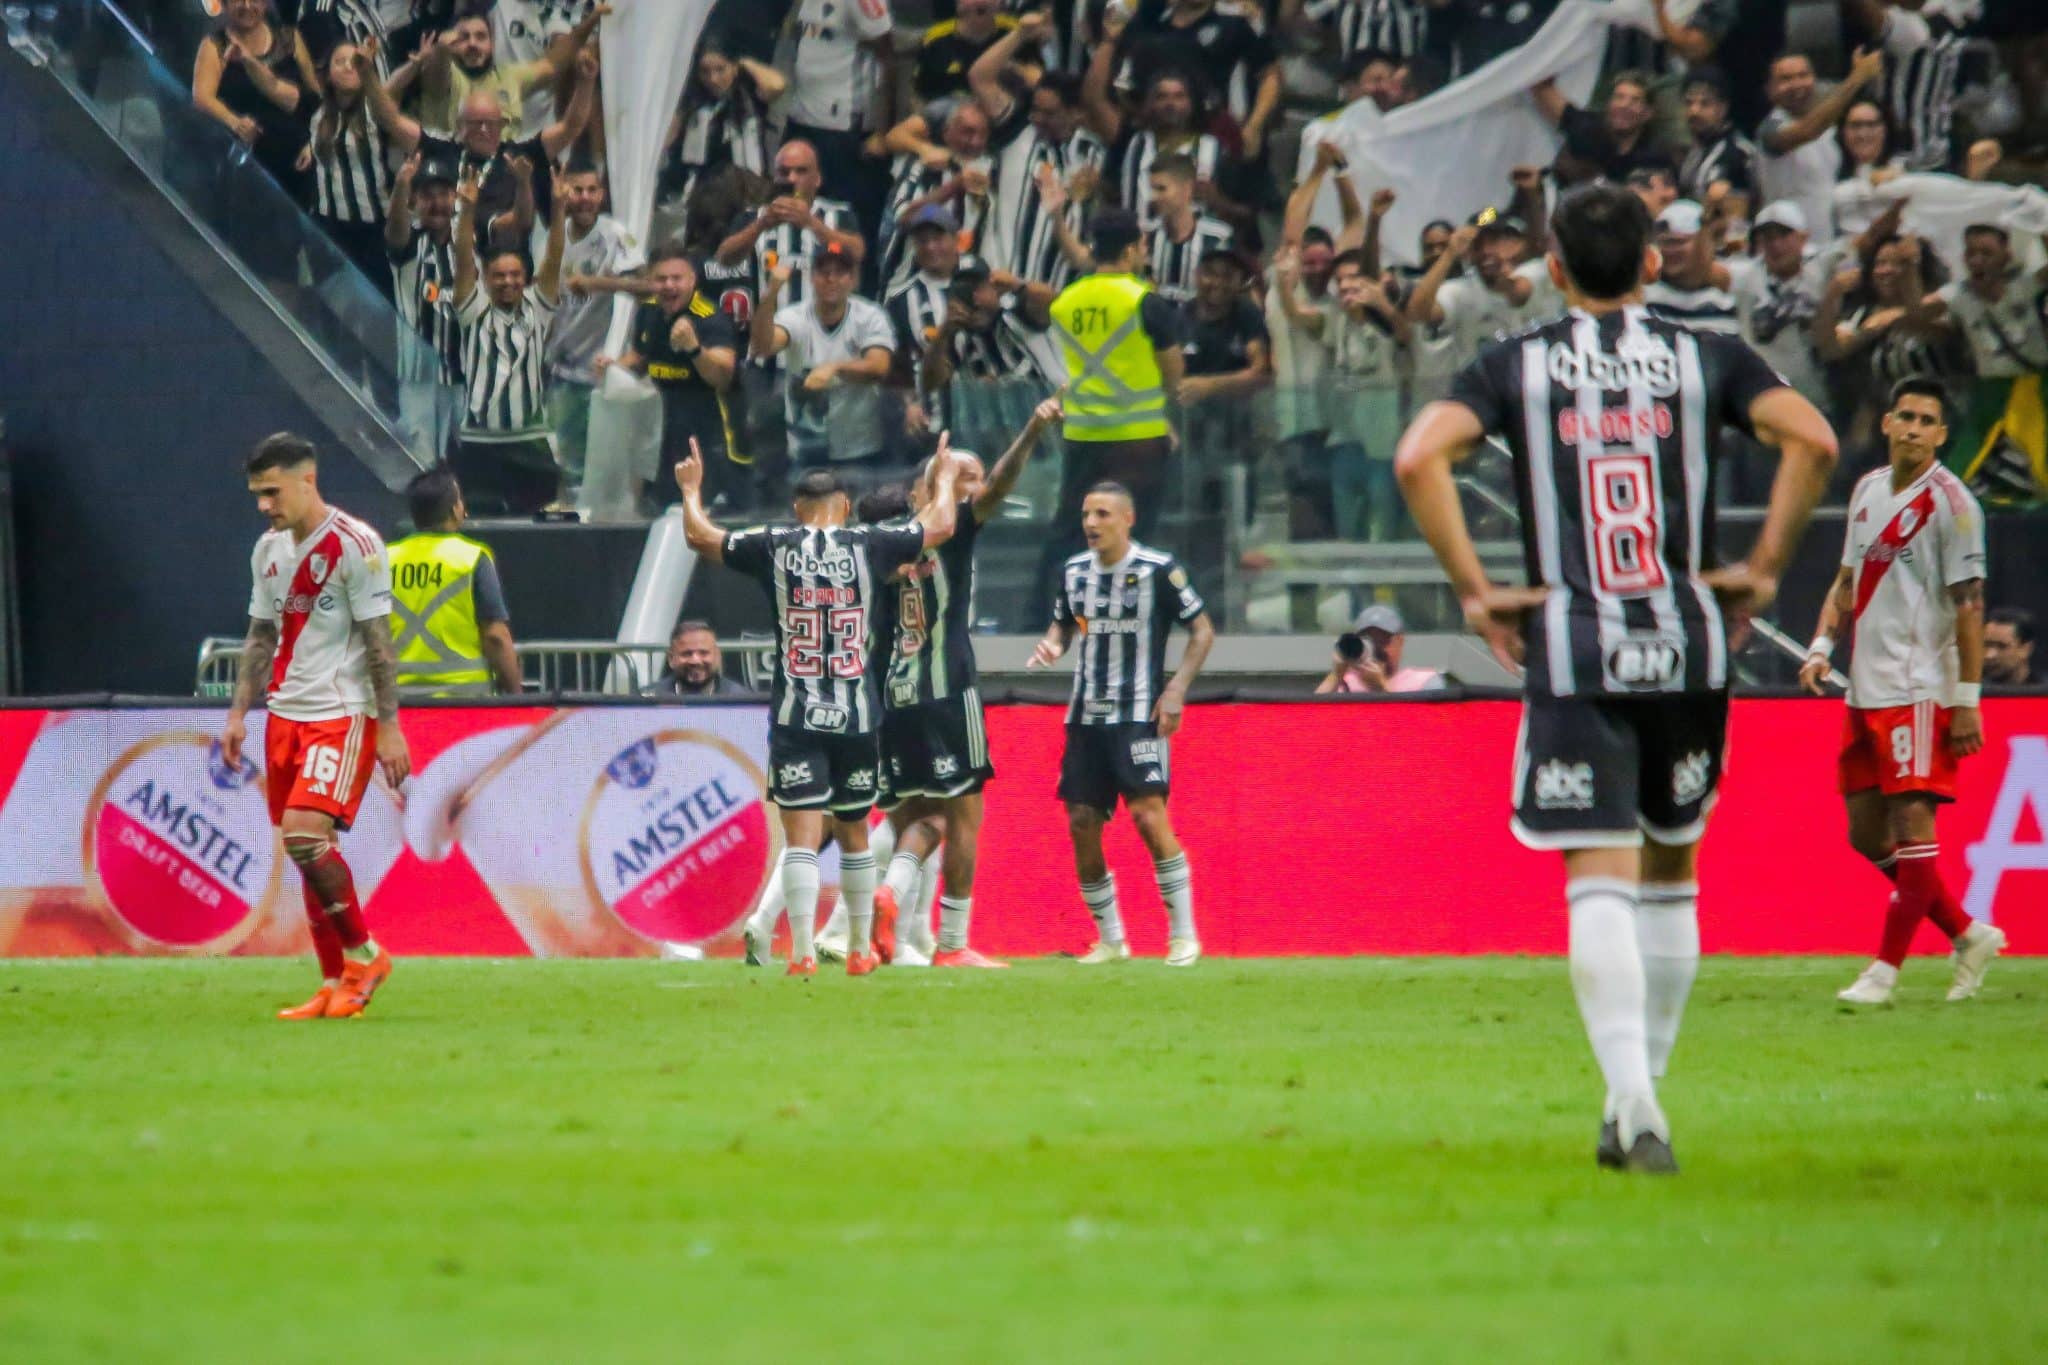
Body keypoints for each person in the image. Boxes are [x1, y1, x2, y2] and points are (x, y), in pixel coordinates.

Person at [1394, 182, 1839, 1173]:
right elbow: (1811, 440)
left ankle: (1632, 1101)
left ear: (1551, 269)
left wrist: (1475, 591)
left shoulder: (1516, 364)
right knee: (1670, 870)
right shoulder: (1704, 354)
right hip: (1684, 642)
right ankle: (1636, 1099)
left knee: (1596, 878)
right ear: (1650, 261)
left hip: (1575, 639)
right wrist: (1762, 567)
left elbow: (1417, 456)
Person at [675, 445, 964, 976]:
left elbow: (700, 536)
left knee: (802, 837)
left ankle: (803, 951)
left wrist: (692, 490)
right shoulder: (869, 543)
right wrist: (943, 476)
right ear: (846, 506)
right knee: (855, 831)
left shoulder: (774, 544)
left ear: (796, 507)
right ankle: (858, 949)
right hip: (857, 714)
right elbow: (942, 524)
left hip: (796, 715)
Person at [1801, 377, 2006, 1004]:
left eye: (1928, 421)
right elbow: (1845, 580)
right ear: (1887, 423)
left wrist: (1966, 697)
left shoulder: (1954, 504)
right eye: (1906, 417)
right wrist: (1820, 645)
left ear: (1941, 434)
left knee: (1913, 825)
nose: (1915, 428)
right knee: (1867, 835)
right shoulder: (1866, 491)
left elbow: (1969, 606)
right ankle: (1970, 934)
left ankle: (1883, 972)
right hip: (1865, 690)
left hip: (1919, 690)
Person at [221, 433, 409, 1020]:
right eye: (256, 494)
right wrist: (236, 714)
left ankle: (366, 955)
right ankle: (334, 983)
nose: (263, 505)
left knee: (305, 837)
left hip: (340, 713)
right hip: (285, 715)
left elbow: (380, 644)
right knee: (307, 850)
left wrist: (390, 726)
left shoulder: (357, 545)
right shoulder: (268, 551)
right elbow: (259, 637)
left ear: (308, 480)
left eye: (272, 491)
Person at [870, 403, 1062, 969]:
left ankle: (894, 919)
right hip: (947, 690)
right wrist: (1029, 430)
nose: (974, 487)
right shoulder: (952, 531)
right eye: (963, 476)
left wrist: (944, 474)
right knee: (961, 819)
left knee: (914, 820)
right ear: (936, 485)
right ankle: (950, 945)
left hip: (890, 698)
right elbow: (1002, 483)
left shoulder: (877, 541)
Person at [1029, 482, 1217, 967]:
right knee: (1082, 823)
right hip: (1085, 717)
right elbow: (1065, 625)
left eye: (1103, 514)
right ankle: (1112, 940)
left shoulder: (1159, 570)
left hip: (1139, 714)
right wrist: (1053, 644)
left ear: (1128, 519)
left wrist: (1176, 689)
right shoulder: (1073, 572)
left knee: (1148, 817)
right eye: (1087, 513)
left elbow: (1202, 628)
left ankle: (1184, 936)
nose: (1091, 523)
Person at [451, 163, 568, 515]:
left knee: (541, 521)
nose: (508, 281)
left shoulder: (537, 306)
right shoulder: (472, 309)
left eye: (515, 274)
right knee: (479, 520)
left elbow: (555, 257)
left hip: (529, 437)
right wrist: (468, 211)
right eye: (499, 275)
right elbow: (461, 260)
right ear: (486, 279)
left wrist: (559, 209)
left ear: (525, 278)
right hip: (478, 439)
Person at [596, 247, 742, 507]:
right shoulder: (649, 312)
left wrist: (695, 348)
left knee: (696, 511)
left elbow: (723, 376)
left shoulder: (709, 318)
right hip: (657, 435)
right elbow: (640, 358)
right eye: (661, 279)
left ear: (692, 280)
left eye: (677, 278)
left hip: (702, 438)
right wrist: (613, 368)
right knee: (654, 508)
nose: (668, 286)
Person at [750, 241, 898, 476]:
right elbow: (762, 347)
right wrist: (771, 294)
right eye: (824, 272)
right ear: (812, 278)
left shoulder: (870, 316)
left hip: (859, 449)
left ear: (853, 279)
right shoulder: (794, 316)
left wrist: (835, 368)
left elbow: (880, 366)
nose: (831, 279)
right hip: (805, 450)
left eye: (840, 273)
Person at [544, 163, 646, 505]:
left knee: (604, 457)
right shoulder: (550, 233)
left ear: (602, 194)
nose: (585, 197)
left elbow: (648, 287)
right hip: (558, 365)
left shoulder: (614, 233)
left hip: (603, 368)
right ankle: (573, 521)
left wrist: (598, 283)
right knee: (566, 456)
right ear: (564, 193)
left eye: (592, 190)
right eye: (578, 189)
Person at [388, 465, 522, 696]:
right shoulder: (472, 559)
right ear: (454, 510)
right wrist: (515, 693)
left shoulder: (385, 559)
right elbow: (495, 637)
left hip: (400, 703)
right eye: (460, 501)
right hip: (464, 703)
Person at [1926, 225, 2048, 474]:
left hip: (2035, 387)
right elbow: (1918, 311)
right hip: (1989, 390)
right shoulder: (1959, 296)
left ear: (2006, 255)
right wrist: (1908, 273)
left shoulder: (2026, 286)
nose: (1978, 260)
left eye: (1986, 253)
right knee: (1962, 466)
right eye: (1971, 253)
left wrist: (2039, 224)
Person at [1756, 47, 1886, 250]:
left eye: (1803, 75)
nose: (1797, 84)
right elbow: (1807, 131)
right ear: (1770, 89)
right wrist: (1856, 78)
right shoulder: (1770, 128)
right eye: (1786, 79)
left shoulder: (1829, 132)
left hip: (1828, 245)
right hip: (1789, 250)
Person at [193, 0, 319, 208]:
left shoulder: (289, 37)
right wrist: (234, 121)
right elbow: (202, 97)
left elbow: (315, 94)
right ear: (224, 5)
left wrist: (314, 141)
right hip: (247, 167)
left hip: (298, 160)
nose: (247, 6)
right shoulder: (214, 45)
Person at [385, 151, 466, 465]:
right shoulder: (409, 244)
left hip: (464, 374)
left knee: (474, 461)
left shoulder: (469, 244)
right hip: (417, 375)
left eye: (444, 195)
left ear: (455, 197)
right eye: (427, 196)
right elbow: (394, 231)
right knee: (421, 462)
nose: (437, 204)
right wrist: (402, 185)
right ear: (415, 201)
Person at [660, 33, 784, 209]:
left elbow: (776, 85)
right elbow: (666, 140)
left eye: (720, 69)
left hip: (747, 189)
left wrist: (744, 62)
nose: (713, 79)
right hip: (701, 192)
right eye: (705, 72)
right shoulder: (692, 101)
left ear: (734, 68)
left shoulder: (750, 96)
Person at [1528, 70, 1673, 189]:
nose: (1624, 105)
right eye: (1619, 97)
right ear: (1609, 104)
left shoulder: (1656, 156)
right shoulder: (1588, 129)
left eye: (1635, 101)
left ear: (1647, 113)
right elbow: (1543, 89)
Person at [1643, 201, 1740, 337]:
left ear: (1706, 243)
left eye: (1679, 242)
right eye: (1665, 242)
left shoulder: (1723, 304)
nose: (1670, 250)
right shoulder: (1643, 300)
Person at [1675, 69, 1756, 229]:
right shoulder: (1692, 152)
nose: (1694, 111)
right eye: (1689, 103)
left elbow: (1738, 220)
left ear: (1722, 108)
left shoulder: (1738, 152)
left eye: (1704, 103)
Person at [1317, 605, 1444, 694]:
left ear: (1400, 641)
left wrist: (1381, 689)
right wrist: (1336, 675)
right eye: (1368, 640)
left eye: (1383, 640)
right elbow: (1311, 718)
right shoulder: (1346, 681)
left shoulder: (1424, 681)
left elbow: (1426, 727)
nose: (1375, 648)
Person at [915, 0, 1016, 105]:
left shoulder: (1015, 32)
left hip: (1003, 102)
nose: (981, 2)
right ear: (959, 4)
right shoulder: (935, 39)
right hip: (949, 106)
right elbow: (919, 93)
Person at [645, 620, 754, 696]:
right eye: (687, 654)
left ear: (718, 656)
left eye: (703, 653)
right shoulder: (648, 700)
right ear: (671, 659)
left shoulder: (740, 700)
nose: (696, 661)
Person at [1984, 607, 2040, 687]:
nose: (1989, 655)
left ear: (2026, 649)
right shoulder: (1974, 693)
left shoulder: (2043, 695)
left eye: (2002, 646)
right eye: (1987, 645)